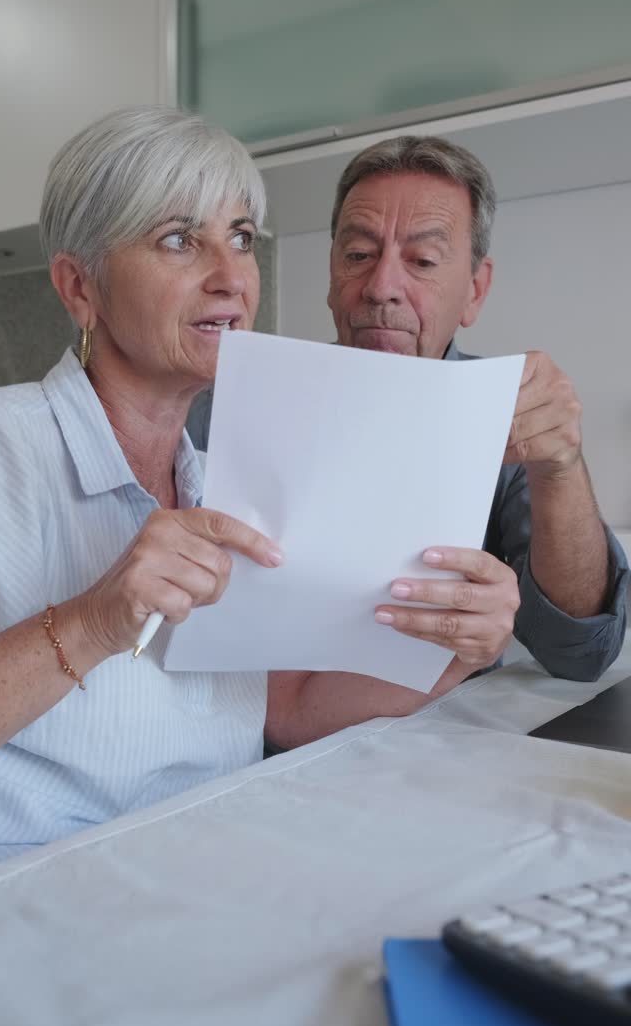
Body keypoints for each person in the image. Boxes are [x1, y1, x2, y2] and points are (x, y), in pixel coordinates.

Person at [0, 108, 520, 894]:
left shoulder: (222, 477)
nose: (232, 276)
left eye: (240, 237)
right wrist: (95, 621)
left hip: (185, 880)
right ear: (78, 287)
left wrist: (454, 650)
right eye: (177, 239)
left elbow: (287, 710)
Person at [190, 134, 628, 684]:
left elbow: (580, 652)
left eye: (421, 260)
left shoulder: (506, 418)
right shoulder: (224, 404)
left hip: (437, 745)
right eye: (358, 255)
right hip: (257, 740)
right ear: (332, 276)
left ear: (474, 290)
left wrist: (559, 468)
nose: (381, 287)